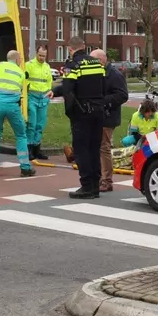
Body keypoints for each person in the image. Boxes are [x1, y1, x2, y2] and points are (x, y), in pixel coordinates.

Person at [61, 49, 129, 192]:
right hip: (97, 113)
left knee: (103, 147)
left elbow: (122, 95)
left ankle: (106, 180)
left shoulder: (114, 75)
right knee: (95, 147)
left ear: (101, 60)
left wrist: (102, 102)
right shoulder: (97, 72)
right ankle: (97, 179)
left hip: (107, 115)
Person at [51, 37, 106, 199]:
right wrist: (55, 90)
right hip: (98, 111)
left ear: (70, 49)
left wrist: (71, 112)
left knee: (81, 150)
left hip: (82, 113)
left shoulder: (72, 65)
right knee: (94, 149)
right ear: (84, 47)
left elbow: (69, 89)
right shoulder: (96, 63)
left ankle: (86, 187)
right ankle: (95, 186)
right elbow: (102, 85)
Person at [0, 50, 36, 178]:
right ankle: (25, 168)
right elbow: (20, 92)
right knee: (21, 135)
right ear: (18, 60)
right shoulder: (21, 73)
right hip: (13, 106)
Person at [113, 99, 158, 170]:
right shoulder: (135, 116)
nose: (150, 114)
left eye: (152, 111)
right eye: (148, 112)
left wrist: (150, 139)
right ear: (143, 111)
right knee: (126, 141)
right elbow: (134, 132)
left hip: (152, 138)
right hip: (139, 136)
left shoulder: (157, 116)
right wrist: (141, 139)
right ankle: (130, 155)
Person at [24, 46, 53, 160]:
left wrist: (48, 92)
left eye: (44, 56)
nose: (42, 58)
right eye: (40, 55)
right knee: (31, 124)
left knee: (40, 125)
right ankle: (29, 149)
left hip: (43, 98)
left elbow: (49, 82)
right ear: (36, 54)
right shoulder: (29, 65)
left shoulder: (47, 66)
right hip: (32, 97)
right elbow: (24, 80)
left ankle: (37, 149)